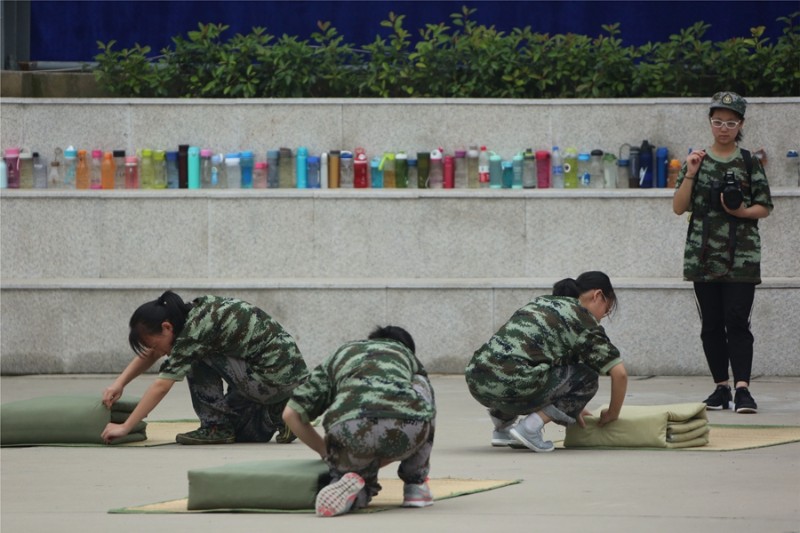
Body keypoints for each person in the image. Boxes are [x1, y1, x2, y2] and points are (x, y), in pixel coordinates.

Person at [672, 91, 773, 414]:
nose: (723, 128)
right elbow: (678, 207)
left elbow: (765, 206)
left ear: (740, 124)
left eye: (730, 122)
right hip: (702, 256)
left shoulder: (748, 162)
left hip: (742, 257)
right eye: (717, 121)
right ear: (710, 123)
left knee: (737, 321)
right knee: (711, 324)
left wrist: (741, 212)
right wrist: (690, 171)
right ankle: (720, 388)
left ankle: (743, 389)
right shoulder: (697, 160)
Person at [101, 290, 309, 444]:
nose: (162, 352)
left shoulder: (193, 334)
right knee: (244, 435)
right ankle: (281, 414)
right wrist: (119, 383)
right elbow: (153, 351)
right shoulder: (194, 315)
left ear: (166, 327)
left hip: (273, 378)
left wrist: (125, 427)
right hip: (282, 378)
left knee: (194, 359)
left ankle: (214, 426)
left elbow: (161, 386)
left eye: (156, 344)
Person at [465, 271, 627, 452]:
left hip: (477, 381)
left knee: (515, 367)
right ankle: (529, 428)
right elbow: (619, 374)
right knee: (587, 377)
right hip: (515, 383)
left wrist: (573, 406)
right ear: (598, 296)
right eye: (607, 309)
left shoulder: (541, 302)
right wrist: (612, 414)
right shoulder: (583, 319)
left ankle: (502, 429)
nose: (602, 316)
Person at [283, 326, 435, 517]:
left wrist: (328, 455)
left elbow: (290, 414)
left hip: (348, 428)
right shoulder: (406, 356)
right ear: (406, 347)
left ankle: (349, 485)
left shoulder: (343, 353)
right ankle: (416, 486)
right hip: (406, 428)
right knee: (421, 384)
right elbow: (424, 408)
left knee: (352, 473)